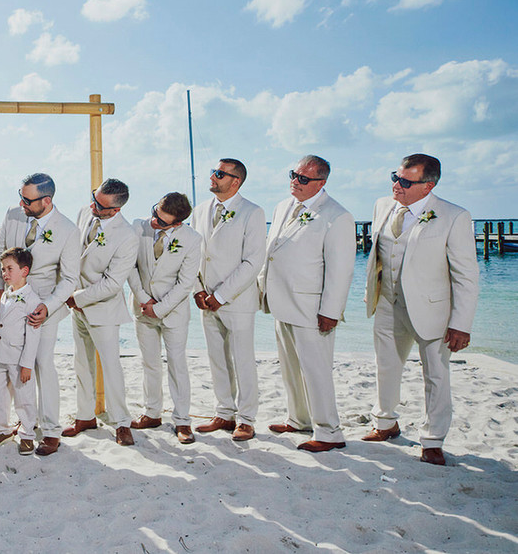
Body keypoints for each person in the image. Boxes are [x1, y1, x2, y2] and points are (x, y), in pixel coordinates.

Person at [362, 154, 480, 466]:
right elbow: (378, 256)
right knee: (385, 367)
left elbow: (466, 275)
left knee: (436, 376)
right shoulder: (381, 206)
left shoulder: (454, 216)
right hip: (387, 303)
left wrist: (461, 323)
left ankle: (432, 441)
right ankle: (385, 423)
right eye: (394, 177)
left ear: (427, 186)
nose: (395, 185)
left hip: (432, 311)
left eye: (404, 181)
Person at [258, 155, 355, 453]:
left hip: (311, 307)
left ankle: (329, 431)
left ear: (321, 183)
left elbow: (341, 269)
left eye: (303, 179)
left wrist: (330, 310)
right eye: (293, 175)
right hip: (280, 299)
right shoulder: (283, 206)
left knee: (316, 369)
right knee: (289, 366)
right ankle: (299, 418)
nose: (295, 182)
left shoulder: (337, 216)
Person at [0, 173, 81, 456]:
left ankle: (50, 431)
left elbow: (69, 279)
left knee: (41, 363)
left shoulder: (67, 230)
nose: (20, 203)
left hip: (43, 309)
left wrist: (49, 306)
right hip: (10, 302)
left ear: (47, 200)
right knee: (11, 364)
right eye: (20, 195)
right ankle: (23, 422)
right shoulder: (13, 214)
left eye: (27, 200)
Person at [190, 160, 266, 442]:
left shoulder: (252, 212)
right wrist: (198, 289)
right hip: (205, 298)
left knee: (242, 360)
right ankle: (224, 412)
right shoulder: (200, 211)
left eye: (219, 174)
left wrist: (221, 295)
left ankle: (246, 419)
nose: (213, 176)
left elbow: (253, 261)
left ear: (235, 181)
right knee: (217, 358)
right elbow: (195, 254)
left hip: (236, 300)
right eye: (213, 171)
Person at [63, 179, 139, 446]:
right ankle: (85, 416)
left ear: (115, 210)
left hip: (103, 309)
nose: (92, 206)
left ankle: (122, 423)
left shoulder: (128, 236)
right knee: (81, 362)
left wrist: (78, 298)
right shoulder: (86, 212)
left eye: (100, 205)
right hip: (76, 306)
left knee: (111, 367)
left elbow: (113, 283)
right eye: (93, 199)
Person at [127, 192, 201, 444]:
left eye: (162, 221)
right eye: (155, 213)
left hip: (173, 312)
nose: (154, 221)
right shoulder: (139, 227)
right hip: (142, 306)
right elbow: (130, 266)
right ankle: (152, 413)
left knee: (177, 364)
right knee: (149, 363)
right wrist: (142, 297)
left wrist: (159, 308)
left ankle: (182, 421)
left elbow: (185, 283)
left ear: (177, 223)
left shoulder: (192, 240)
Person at [0, 247, 42, 456]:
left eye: (10, 269)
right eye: (3, 269)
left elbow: (33, 336)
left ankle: (27, 434)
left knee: (23, 397)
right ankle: (3, 429)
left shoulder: (32, 300)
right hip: (1, 356)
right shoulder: (6, 295)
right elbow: (0, 325)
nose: (5, 273)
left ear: (24, 271)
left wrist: (27, 364)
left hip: (19, 359)